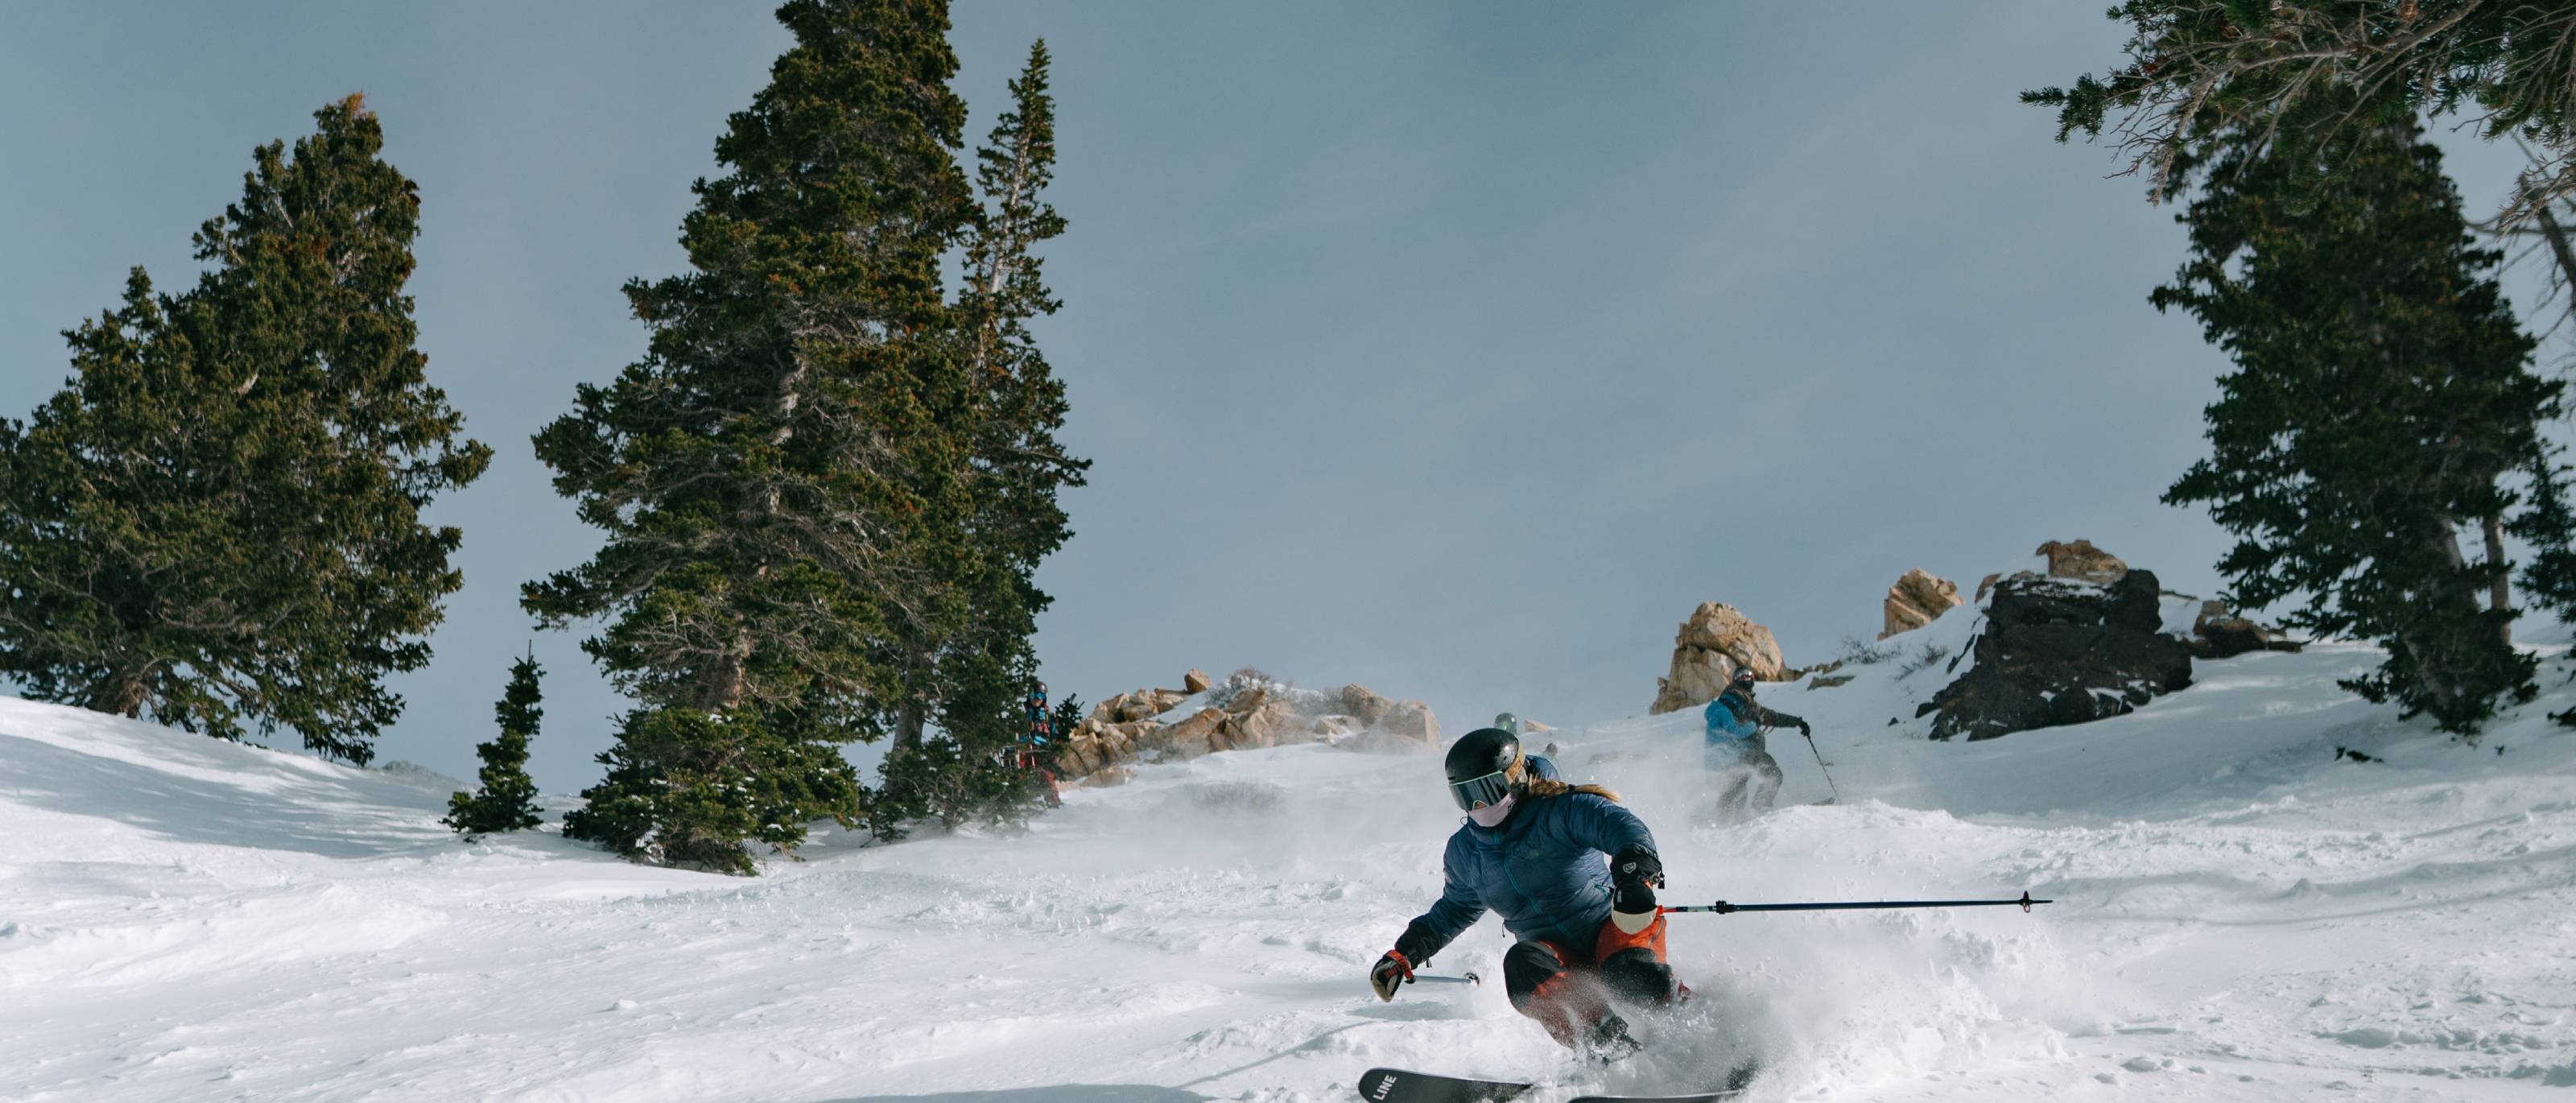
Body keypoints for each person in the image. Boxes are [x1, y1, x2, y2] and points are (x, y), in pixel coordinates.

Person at [1368, 728, 1677, 1059]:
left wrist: (1634, 877)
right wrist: (1405, 953)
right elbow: (1454, 910)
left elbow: (1621, 828)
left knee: (1628, 974)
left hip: (1611, 923)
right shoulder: (1466, 853)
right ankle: (1608, 1049)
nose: (1478, 804)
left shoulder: (1561, 809)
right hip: (1554, 953)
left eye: (1486, 789)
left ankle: (1696, 1030)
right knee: (1523, 968)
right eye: (1465, 795)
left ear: (1514, 777)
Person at [1704, 668, 1807, 818]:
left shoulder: (1744, 701)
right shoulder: (1734, 697)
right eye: (1741, 675)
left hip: (1735, 757)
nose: (1746, 678)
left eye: (1749, 675)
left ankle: (1723, 820)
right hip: (1743, 753)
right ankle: (1760, 810)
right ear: (1735, 680)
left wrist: (1797, 722)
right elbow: (1740, 725)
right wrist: (1756, 721)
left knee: (1737, 791)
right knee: (1773, 775)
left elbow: (1771, 716)